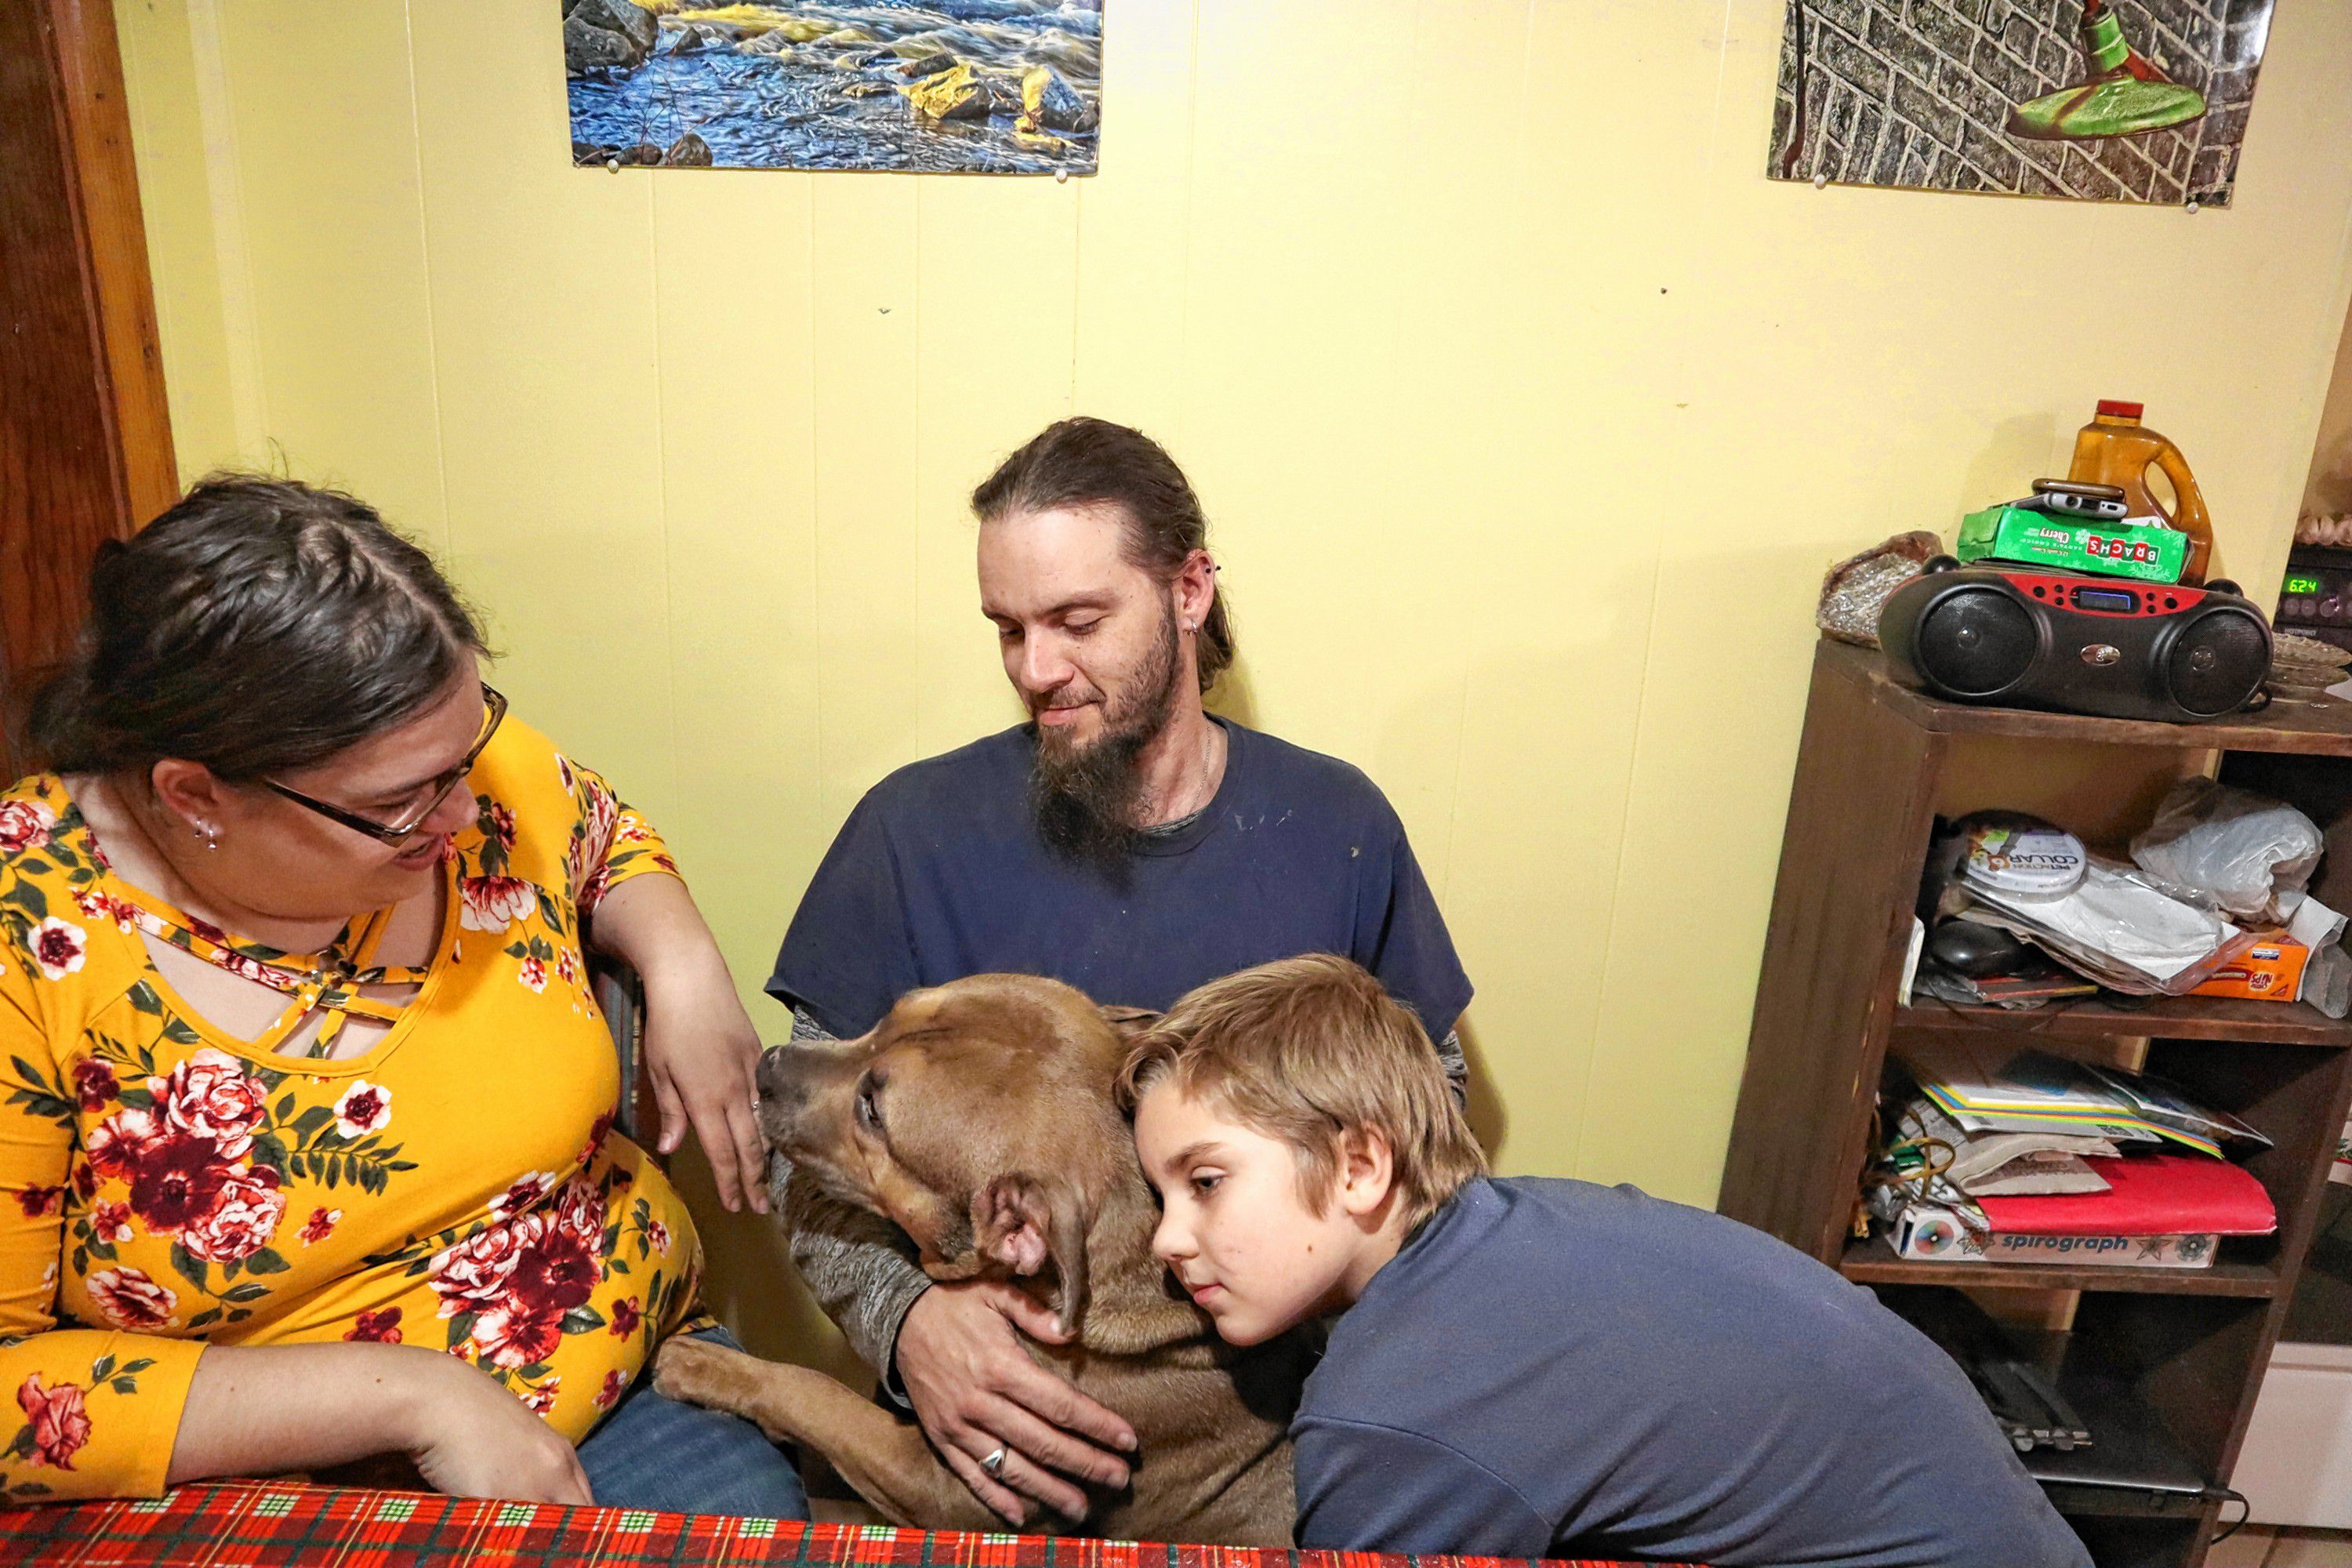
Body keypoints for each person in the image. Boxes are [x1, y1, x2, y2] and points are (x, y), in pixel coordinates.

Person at [0, 476, 804, 1517]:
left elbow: (603, 833)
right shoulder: (31, 935)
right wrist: (414, 1401)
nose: (466, 812)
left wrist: (685, 965)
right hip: (256, 1485)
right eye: (398, 804)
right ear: (193, 794)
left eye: (467, 759)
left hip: (628, 1385)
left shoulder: (443, 767)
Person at [768, 416, 1472, 1526]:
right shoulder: (912, 831)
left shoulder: (1337, 826)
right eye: (1008, 629)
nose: (1037, 670)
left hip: (1283, 1452)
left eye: (1078, 622)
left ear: (1189, 590)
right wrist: (908, 1325)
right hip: (976, 1452)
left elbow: (1434, 1129)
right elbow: (797, 1149)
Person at [1120, 954, 2093, 1568]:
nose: (1166, 1237)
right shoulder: (1525, 1228)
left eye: (1204, 1181)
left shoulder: (1396, 1409)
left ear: (1361, 1164)